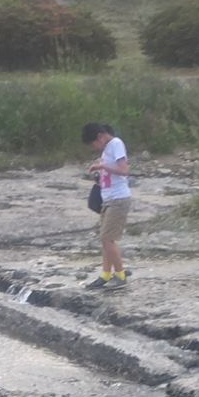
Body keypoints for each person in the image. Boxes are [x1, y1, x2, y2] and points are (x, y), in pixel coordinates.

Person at [82, 121, 130, 288]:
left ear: (100, 137)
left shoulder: (116, 144)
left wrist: (103, 166)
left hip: (118, 199)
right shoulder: (107, 149)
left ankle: (120, 274)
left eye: (93, 144)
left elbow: (124, 170)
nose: (94, 147)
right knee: (105, 239)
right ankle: (106, 274)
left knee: (108, 239)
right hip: (108, 198)